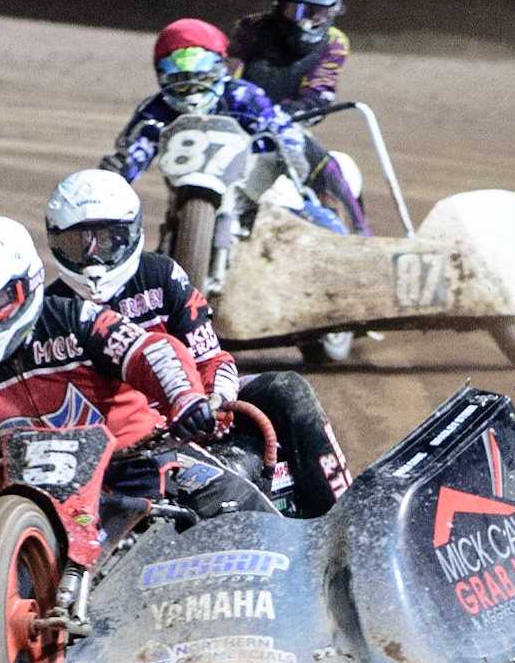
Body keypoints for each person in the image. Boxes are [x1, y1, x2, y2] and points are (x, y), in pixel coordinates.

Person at [0, 215, 218, 545]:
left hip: (133, 470)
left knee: (222, 506)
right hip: (34, 504)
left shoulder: (76, 317)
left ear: (29, 283)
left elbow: (148, 351)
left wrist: (184, 395)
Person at [43, 169, 353, 517]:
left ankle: (342, 516)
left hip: (196, 420)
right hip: (126, 448)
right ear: (57, 243)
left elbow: (213, 359)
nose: (94, 259)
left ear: (129, 234)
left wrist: (214, 402)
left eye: (107, 239)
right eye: (78, 243)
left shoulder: (162, 277)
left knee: (286, 389)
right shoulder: (52, 310)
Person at [101, 17, 368, 233]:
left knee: (325, 225)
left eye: (202, 77)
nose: (193, 91)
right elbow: (139, 144)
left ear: (220, 70)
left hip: (259, 184)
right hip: (190, 200)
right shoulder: (156, 109)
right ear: (162, 77)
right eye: (181, 80)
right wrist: (120, 170)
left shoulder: (242, 95)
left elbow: (280, 125)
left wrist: (290, 152)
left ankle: (354, 248)